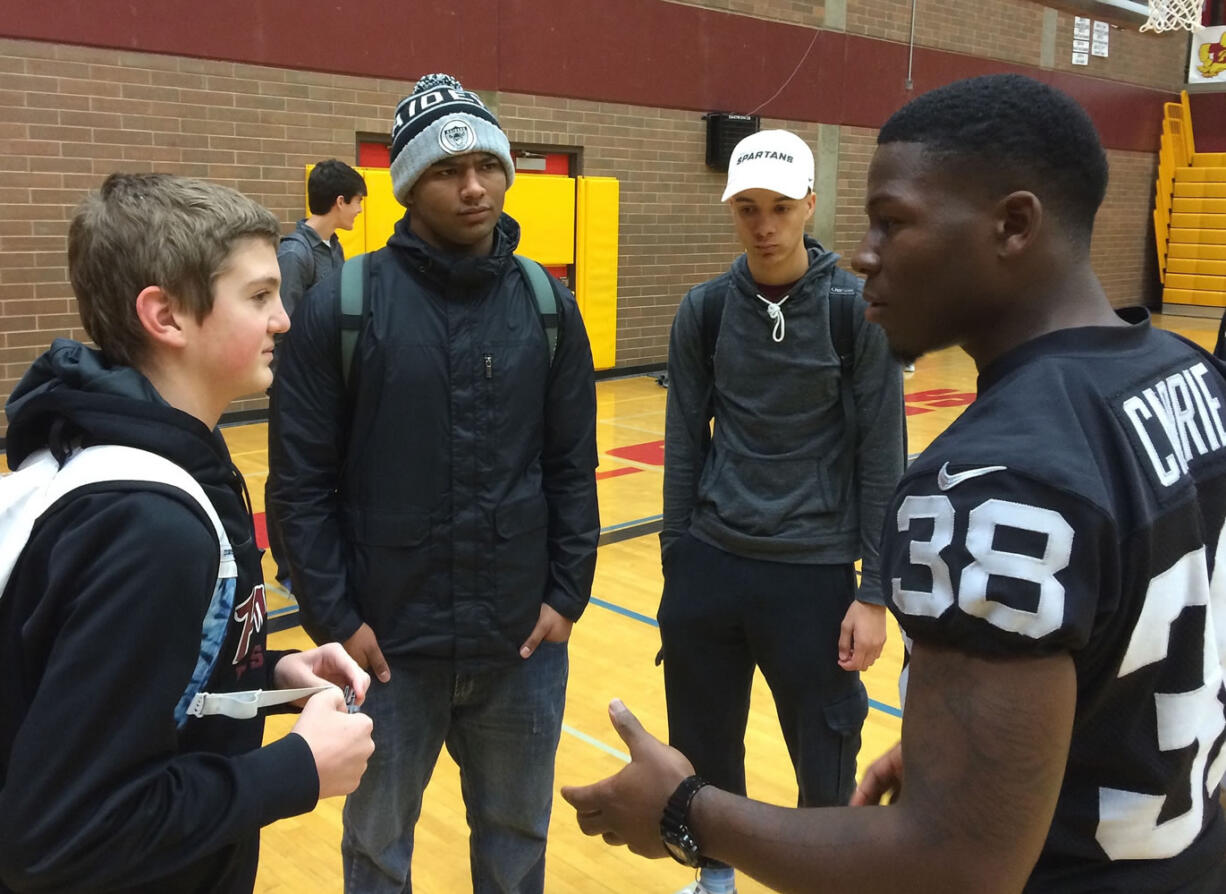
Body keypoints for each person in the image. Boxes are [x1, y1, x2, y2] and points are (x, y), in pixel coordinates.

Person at [562, 73, 1226, 893]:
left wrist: (684, 812)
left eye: (893, 222)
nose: (865, 252)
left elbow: (953, 865)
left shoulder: (989, 486)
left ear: (1014, 224)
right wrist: (979, 740)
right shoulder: (1189, 378)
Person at [268, 72, 600, 893]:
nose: (475, 185)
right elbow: (299, 485)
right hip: (389, 653)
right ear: (411, 184)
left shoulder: (546, 304)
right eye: (450, 172)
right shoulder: (343, 305)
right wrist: (338, 617)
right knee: (377, 850)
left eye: (487, 165)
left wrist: (567, 592)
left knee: (517, 842)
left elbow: (570, 463)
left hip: (520, 645)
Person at [0, 173, 375, 893]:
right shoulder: (149, 530)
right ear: (166, 316)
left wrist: (262, 677)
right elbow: (60, 835)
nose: (284, 320)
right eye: (260, 296)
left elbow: (115, 689)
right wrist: (293, 771)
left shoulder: (105, 445)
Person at [658, 128, 904, 894]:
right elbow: (683, 445)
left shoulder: (855, 313)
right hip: (712, 564)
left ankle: (825, 880)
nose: (764, 226)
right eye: (748, 209)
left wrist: (873, 592)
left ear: (810, 205)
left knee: (823, 758)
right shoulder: (703, 313)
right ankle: (714, 878)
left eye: (779, 208)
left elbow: (881, 458)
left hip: (814, 576)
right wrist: (678, 561)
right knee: (704, 750)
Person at [267, 158, 366, 590]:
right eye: (358, 202)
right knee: (290, 474)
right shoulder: (294, 254)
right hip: (295, 385)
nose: (361, 211)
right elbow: (281, 325)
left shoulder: (335, 249)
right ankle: (288, 568)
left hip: (328, 384)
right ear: (340, 201)